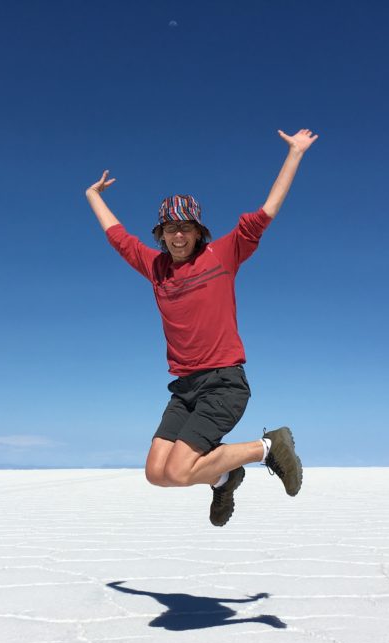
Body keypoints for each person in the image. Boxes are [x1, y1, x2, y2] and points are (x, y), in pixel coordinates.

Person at [85, 129, 318, 527]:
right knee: (157, 473)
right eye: (170, 229)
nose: (178, 235)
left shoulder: (223, 254)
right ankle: (227, 476)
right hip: (184, 387)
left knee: (178, 471)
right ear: (161, 234)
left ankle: (268, 447)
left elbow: (266, 212)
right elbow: (119, 239)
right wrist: (92, 195)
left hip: (223, 383)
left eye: (185, 228)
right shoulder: (156, 268)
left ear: (198, 231)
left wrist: (295, 153)